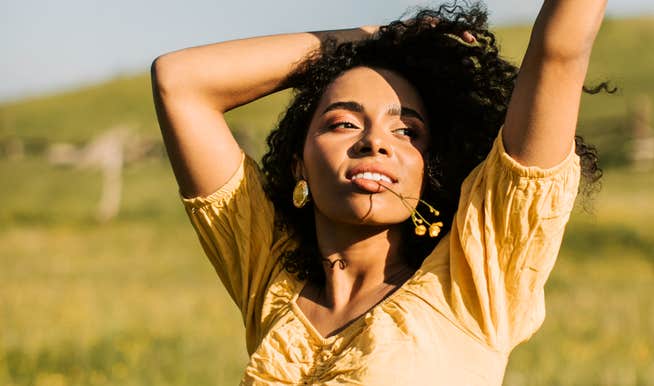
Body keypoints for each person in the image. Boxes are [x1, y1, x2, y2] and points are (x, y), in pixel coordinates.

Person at [151, 1, 607, 384]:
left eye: (407, 131)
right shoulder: (269, 282)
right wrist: (382, 39)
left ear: (430, 172)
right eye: (344, 123)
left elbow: (559, 54)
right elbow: (180, 82)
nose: (376, 141)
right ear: (299, 163)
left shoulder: (476, 281)